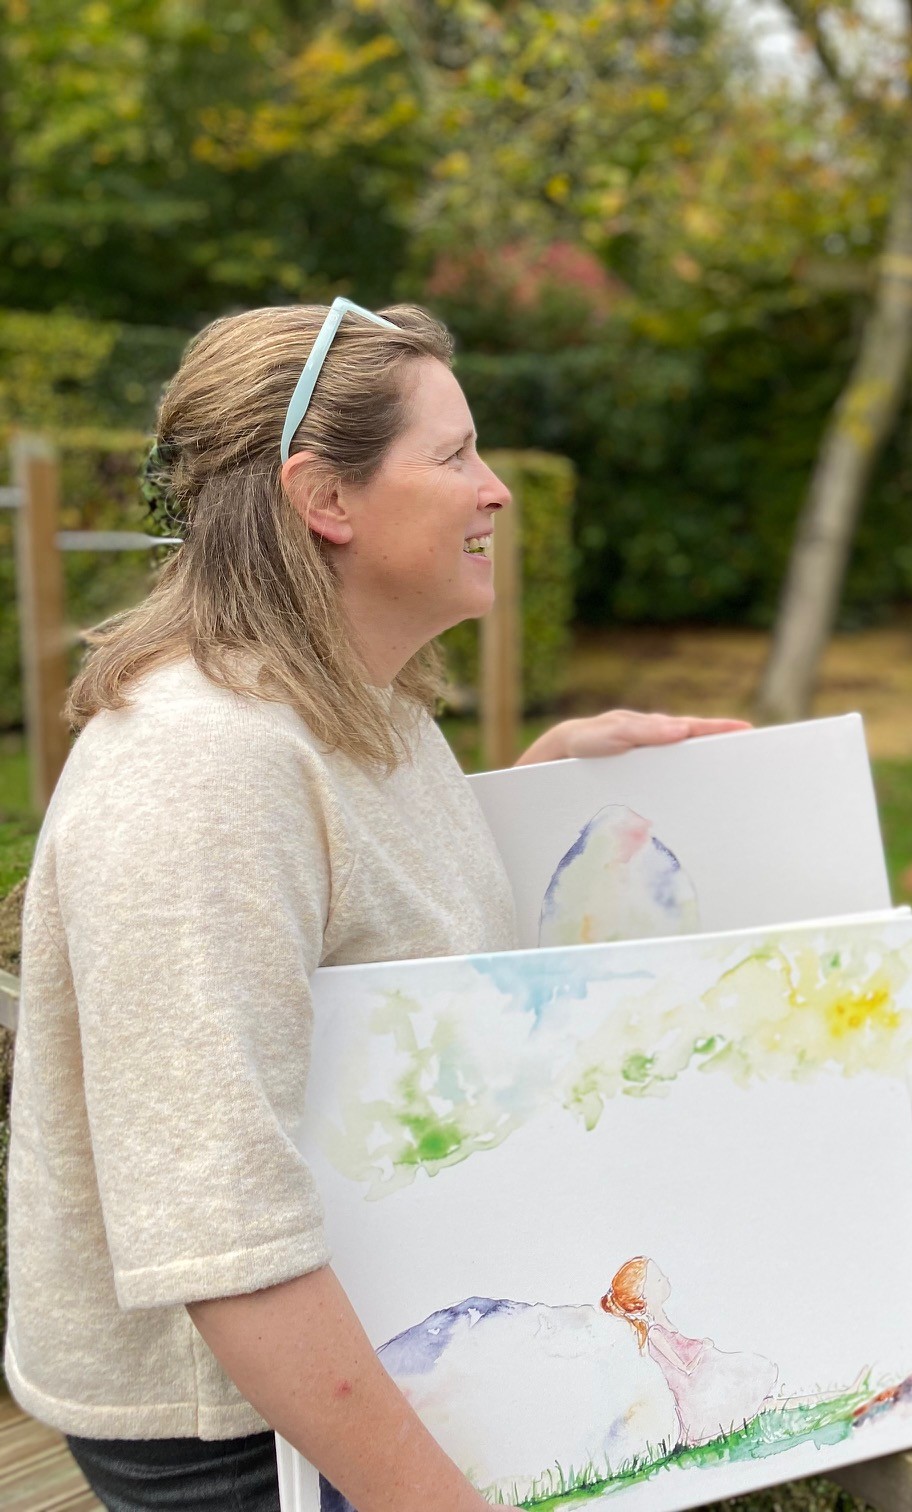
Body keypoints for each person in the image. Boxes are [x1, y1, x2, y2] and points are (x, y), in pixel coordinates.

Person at [2, 297, 749, 1512]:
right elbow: (224, 1241)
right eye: (454, 456)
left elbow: (364, 924)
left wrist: (541, 794)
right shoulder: (202, 767)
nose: (496, 490)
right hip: (247, 1432)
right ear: (325, 499)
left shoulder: (361, 709)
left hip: (357, 1360)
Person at [599, 1257, 779, 1447]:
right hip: (693, 1393)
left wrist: (701, 1345)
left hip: (700, 1380)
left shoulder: (662, 1322)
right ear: (643, 1296)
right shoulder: (655, 1333)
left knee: (745, 1379)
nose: (665, 1279)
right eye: (658, 1280)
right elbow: (685, 1367)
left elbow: (684, 1346)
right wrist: (703, 1349)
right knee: (739, 1382)